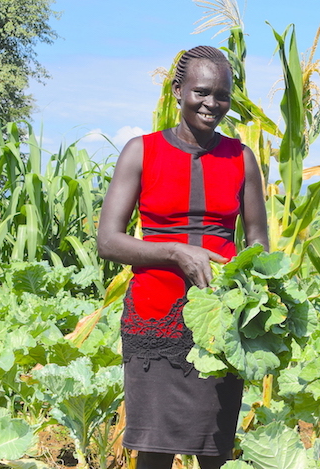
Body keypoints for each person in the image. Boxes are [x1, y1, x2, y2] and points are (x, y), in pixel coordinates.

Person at [97, 45, 269, 469]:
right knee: (154, 452)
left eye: (223, 95)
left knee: (215, 450)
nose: (213, 104)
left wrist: (251, 296)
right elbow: (108, 240)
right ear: (178, 91)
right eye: (202, 92)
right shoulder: (142, 151)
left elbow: (259, 243)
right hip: (155, 318)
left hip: (220, 324)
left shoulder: (241, 158)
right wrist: (175, 252)